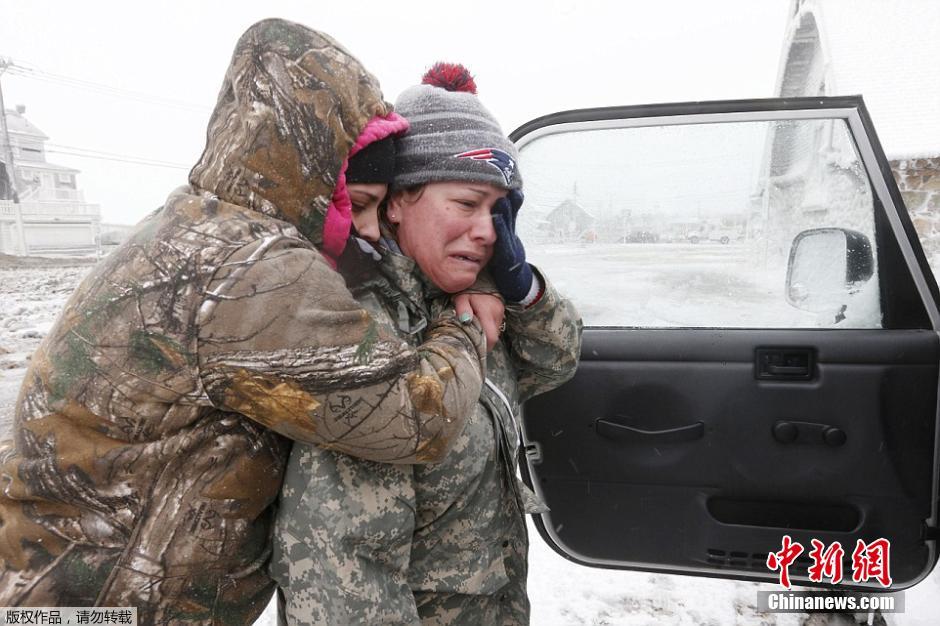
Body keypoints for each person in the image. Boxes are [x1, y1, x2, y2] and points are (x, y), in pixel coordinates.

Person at [0, 21, 496, 624]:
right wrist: (465, 326)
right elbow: (415, 416)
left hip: (57, 592)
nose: (368, 231)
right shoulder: (257, 270)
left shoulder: (192, 225)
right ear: (310, 174)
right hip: (103, 604)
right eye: (357, 203)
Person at [271, 63, 583, 625]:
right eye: (466, 204)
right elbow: (343, 575)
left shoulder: (461, 303)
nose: (489, 231)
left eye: (499, 212)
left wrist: (524, 291)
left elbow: (554, 363)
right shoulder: (363, 337)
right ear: (396, 203)